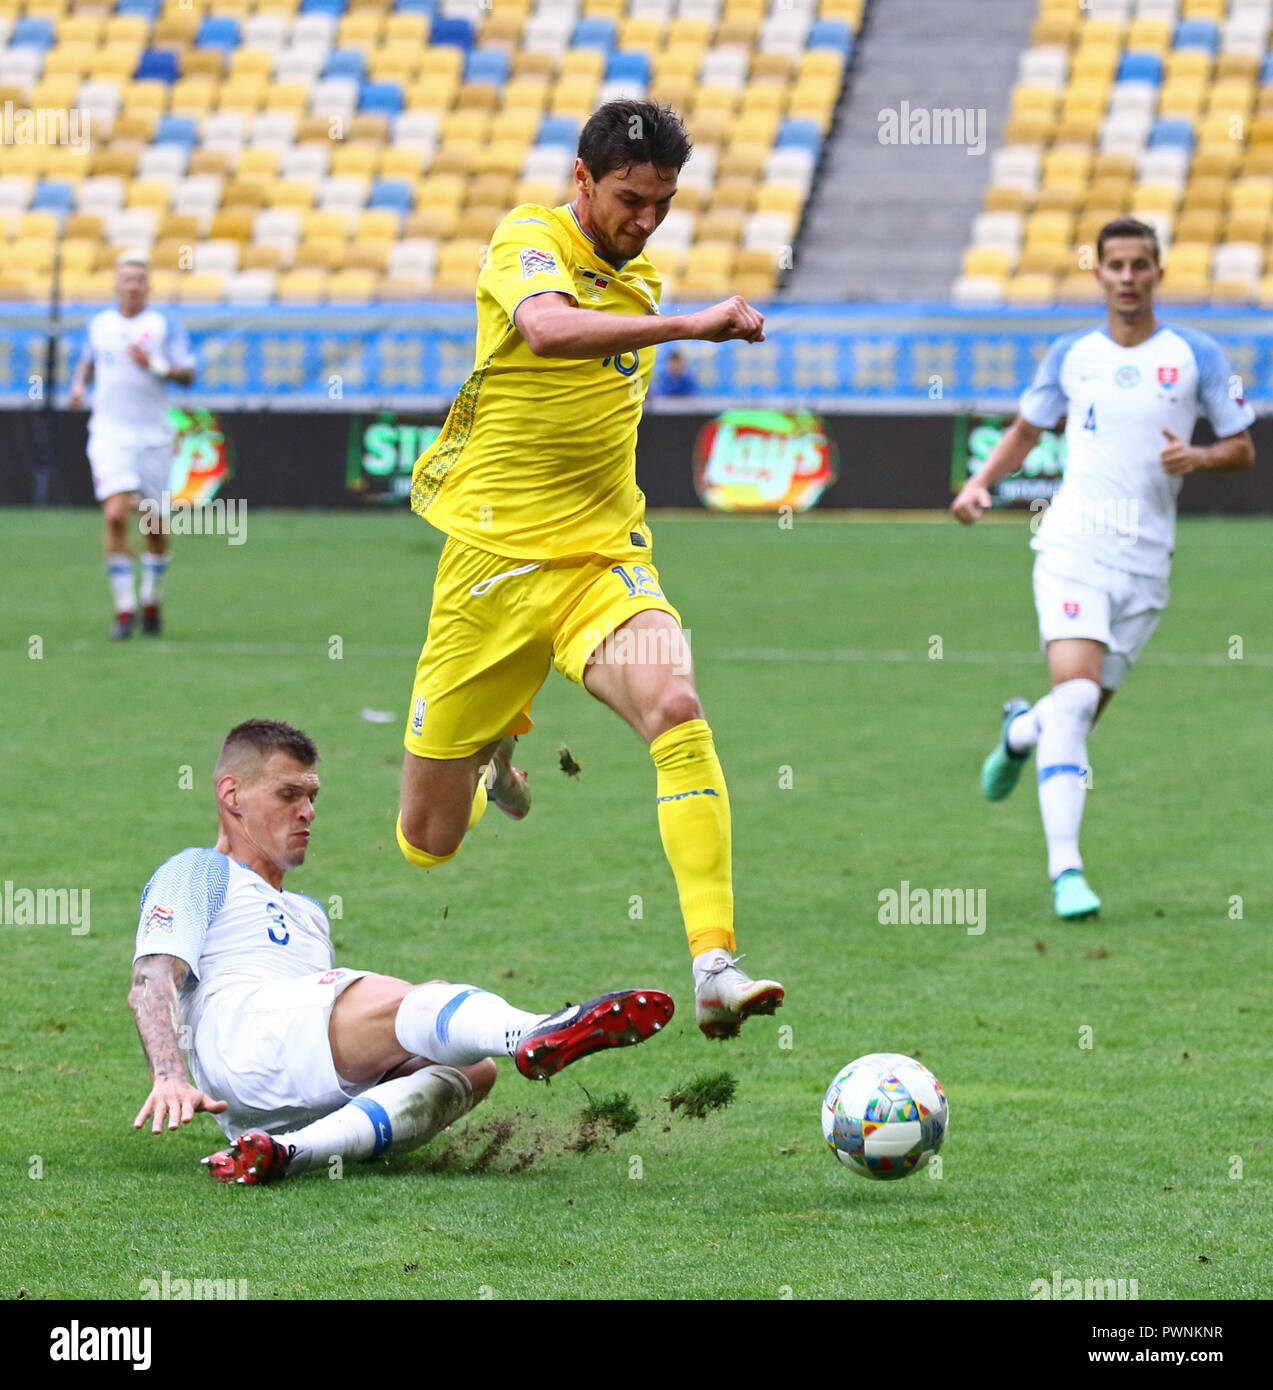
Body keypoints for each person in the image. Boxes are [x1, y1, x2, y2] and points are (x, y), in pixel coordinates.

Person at [395, 100, 783, 1041]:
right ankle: (491, 761)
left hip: (600, 561)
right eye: (628, 199)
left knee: (676, 706)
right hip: (490, 569)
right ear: (582, 181)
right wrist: (691, 327)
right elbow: (546, 332)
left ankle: (713, 965)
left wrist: (669, 315)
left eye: (661, 202)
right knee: (427, 842)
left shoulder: (641, 277)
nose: (644, 220)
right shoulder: (527, 240)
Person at [128, 718, 673, 1185]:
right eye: (288, 795)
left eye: (312, 796)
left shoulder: (310, 913)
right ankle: (535, 1031)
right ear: (232, 797)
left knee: (472, 1068)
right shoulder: (198, 869)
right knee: (407, 1000)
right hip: (240, 1038)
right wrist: (170, 1075)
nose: (308, 813)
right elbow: (153, 978)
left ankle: (291, 1154)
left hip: (278, 1099)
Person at [951, 217, 1255, 919]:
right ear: (1098, 273)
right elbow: (1027, 429)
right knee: (1080, 700)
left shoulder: (1197, 354)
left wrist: (1200, 457)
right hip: (1072, 547)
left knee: (1073, 718)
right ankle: (1067, 873)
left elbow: (1240, 447)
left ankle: (1020, 730)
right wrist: (980, 485)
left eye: (1139, 265)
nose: (1126, 276)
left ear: (1157, 272)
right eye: (1114, 264)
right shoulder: (1069, 354)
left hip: (1146, 563)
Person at [68, 252, 197, 640]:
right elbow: (88, 361)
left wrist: (156, 366)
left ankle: (151, 598)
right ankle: (125, 610)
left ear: (148, 286)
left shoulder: (163, 326)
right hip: (109, 432)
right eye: (127, 279)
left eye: (140, 279)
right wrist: (78, 385)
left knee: (153, 522)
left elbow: (188, 374)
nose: (133, 285)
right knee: (114, 515)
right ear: (116, 284)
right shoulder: (100, 325)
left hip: (153, 435)